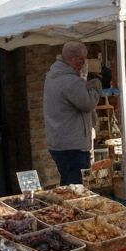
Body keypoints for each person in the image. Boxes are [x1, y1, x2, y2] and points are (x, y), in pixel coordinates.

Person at [43, 40, 102, 184]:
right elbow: (87, 103)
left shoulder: (53, 75)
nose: (84, 62)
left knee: (68, 186)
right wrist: (96, 86)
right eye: (82, 58)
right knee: (77, 190)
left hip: (59, 143)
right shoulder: (69, 80)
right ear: (73, 59)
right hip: (72, 146)